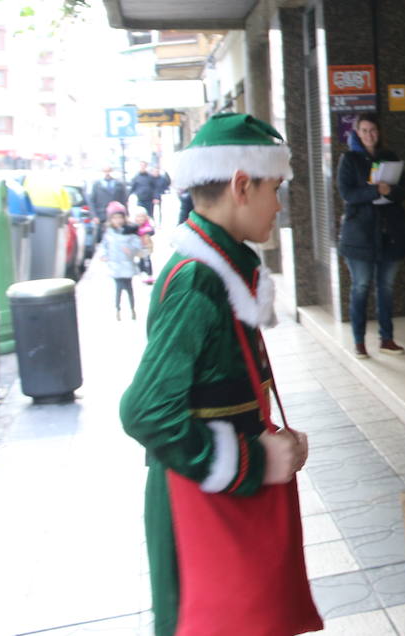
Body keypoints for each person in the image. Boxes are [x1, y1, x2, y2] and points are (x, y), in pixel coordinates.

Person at [120, 112, 320, 636]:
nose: (279, 204)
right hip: (202, 512)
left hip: (221, 502)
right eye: (274, 188)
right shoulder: (198, 283)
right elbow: (144, 412)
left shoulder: (221, 268)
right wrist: (250, 459)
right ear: (240, 185)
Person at [336, 113, 405, 358]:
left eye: (373, 130)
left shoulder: (389, 157)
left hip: (389, 233)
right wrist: (374, 191)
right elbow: (347, 194)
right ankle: (359, 341)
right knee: (360, 287)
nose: (370, 135)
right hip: (359, 235)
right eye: (365, 130)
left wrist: (390, 191)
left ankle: (387, 338)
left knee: (386, 288)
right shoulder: (349, 159)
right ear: (357, 133)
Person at [101, 201, 144, 320]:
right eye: (114, 218)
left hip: (127, 265)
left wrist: (130, 250)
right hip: (114, 266)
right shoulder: (109, 232)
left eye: (120, 217)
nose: (118, 220)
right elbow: (104, 245)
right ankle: (118, 309)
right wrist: (104, 255)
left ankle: (132, 309)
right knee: (118, 289)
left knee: (129, 289)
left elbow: (137, 246)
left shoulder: (130, 231)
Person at [89, 166, 128, 242]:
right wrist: (94, 216)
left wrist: (125, 214)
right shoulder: (97, 185)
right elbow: (92, 201)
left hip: (116, 215)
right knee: (103, 238)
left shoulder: (119, 184)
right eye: (105, 171)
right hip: (102, 215)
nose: (107, 173)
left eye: (109, 171)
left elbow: (124, 200)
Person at [131, 205, 156, 284]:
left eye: (142, 217)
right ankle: (142, 272)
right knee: (140, 260)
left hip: (146, 246)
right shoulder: (133, 226)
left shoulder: (148, 225)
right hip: (138, 246)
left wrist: (147, 232)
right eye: (138, 217)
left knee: (147, 259)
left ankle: (149, 274)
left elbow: (152, 231)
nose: (140, 219)